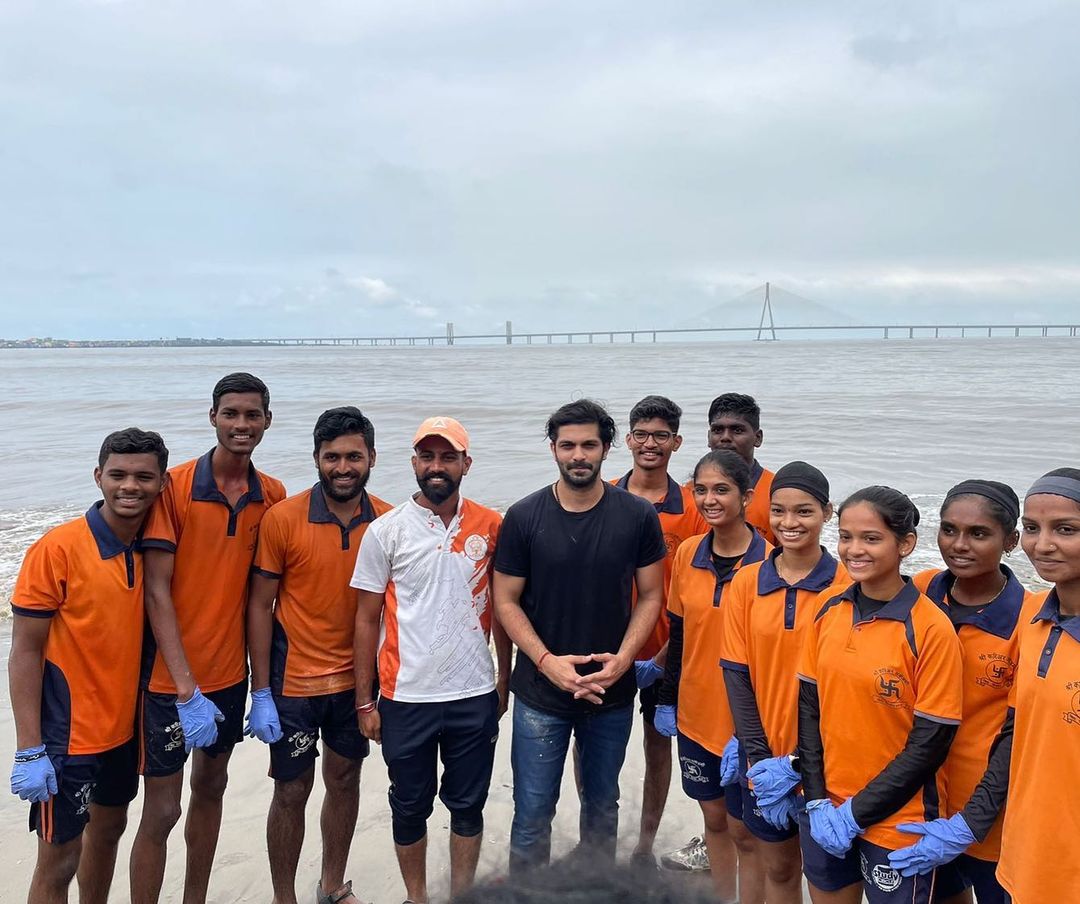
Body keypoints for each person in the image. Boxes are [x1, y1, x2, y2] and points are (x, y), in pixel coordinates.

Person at [886, 468, 1080, 903]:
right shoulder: (917, 593)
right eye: (950, 530)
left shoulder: (1027, 618)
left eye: (978, 533)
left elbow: (1016, 733)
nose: (959, 544)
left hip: (995, 812)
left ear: (1008, 542)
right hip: (922, 797)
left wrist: (974, 820)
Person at [130, 372, 286, 904]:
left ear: (267, 420)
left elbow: (264, 597)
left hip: (228, 676)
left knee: (212, 789)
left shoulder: (274, 496)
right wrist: (184, 687)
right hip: (167, 680)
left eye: (252, 415)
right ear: (212, 416)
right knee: (163, 808)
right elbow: (156, 591)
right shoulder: (172, 488)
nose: (241, 425)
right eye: (231, 414)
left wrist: (261, 689)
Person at [493, 399, 666, 874]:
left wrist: (624, 660)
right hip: (539, 693)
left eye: (589, 444)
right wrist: (547, 662)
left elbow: (651, 596)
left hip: (609, 693)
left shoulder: (636, 516)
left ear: (607, 448)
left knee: (602, 809)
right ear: (553, 449)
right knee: (531, 815)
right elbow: (504, 600)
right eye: (567, 445)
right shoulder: (524, 516)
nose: (578, 455)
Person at [352, 416, 510, 903]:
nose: (436, 466)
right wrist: (365, 702)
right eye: (427, 456)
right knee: (408, 806)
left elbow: (504, 611)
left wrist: (504, 680)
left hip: (473, 693)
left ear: (466, 463)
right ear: (414, 462)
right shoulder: (385, 530)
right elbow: (365, 620)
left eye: (448, 456)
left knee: (467, 807)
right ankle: (417, 897)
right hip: (405, 696)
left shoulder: (491, 524)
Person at [9, 428, 169, 904]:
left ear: (162, 484)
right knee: (58, 859)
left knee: (111, 829)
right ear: (98, 476)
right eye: (117, 474)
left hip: (121, 732)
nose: (130, 486)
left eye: (144, 476)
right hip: (66, 738)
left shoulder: (149, 551)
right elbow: (24, 652)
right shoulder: (57, 548)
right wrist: (28, 748)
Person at [245, 407, 391, 904]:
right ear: (316, 459)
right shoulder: (282, 518)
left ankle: (332, 884)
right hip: (295, 683)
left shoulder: (390, 521)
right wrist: (259, 690)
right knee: (290, 790)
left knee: (345, 779)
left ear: (372, 457)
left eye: (354, 456)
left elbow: (397, 614)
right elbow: (260, 606)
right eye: (332, 457)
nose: (343, 467)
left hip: (358, 684)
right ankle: (283, 896)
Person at [797, 486, 963, 904]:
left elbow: (930, 743)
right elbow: (809, 711)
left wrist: (857, 813)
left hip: (898, 819)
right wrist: (816, 798)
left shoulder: (930, 628)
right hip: (825, 806)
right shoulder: (827, 609)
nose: (854, 549)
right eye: (846, 536)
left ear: (905, 544)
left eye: (871, 538)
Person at [720, 461, 850, 904]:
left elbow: (847, 693)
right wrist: (758, 764)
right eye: (778, 511)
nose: (789, 523)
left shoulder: (848, 585)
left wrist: (801, 764)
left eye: (804, 511)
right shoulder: (746, 582)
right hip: (764, 757)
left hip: (828, 767)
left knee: (827, 880)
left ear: (827, 513)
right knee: (776, 867)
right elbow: (737, 674)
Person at [652, 449, 770, 904]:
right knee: (715, 823)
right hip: (695, 716)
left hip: (747, 724)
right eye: (700, 490)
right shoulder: (686, 553)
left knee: (748, 833)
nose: (709, 499)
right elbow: (679, 633)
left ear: (747, 496)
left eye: (721, 489)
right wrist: (667, 697)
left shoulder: (769, 564)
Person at [610, 395, 707, 867]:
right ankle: (597, 839)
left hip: (666, 655)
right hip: (607, 652)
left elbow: (695, 593)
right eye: (642, 435)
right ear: (628, 439)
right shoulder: (604, 494)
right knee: (598, 751)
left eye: (661, 436)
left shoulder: (691, 506)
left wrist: (667, 656)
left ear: (676, 442)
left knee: (657, 746)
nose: (651, 444)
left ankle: (644, 845)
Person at [705, 393, 774, 545]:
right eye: (718, 430)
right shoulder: (695, 492)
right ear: (708, 438)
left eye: (737, 430)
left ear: (758, 438)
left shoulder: (776, 491)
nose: (725, 437)